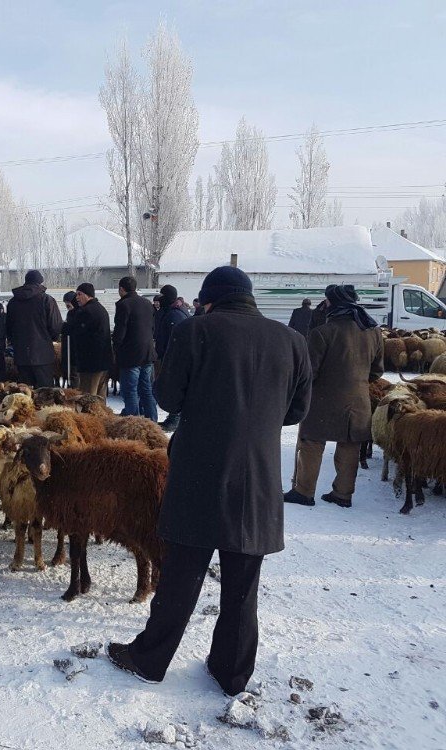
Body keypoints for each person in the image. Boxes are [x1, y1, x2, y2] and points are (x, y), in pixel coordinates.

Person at [107, 265, 312, 697]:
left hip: (200, 473)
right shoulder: (292, 342)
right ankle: (231, 672)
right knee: (242, 587)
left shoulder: (195, 332)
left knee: (181, 577)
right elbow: (295, 412)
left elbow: (167, 399)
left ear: (209, 298)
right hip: (257, 480)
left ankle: (150, 659)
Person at [285, 285, 384, 509]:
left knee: (311, 444)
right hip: (358, 402)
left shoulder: (323, 332)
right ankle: (343, 494)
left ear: (332, 303)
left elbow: (311, 371)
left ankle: (304, 491)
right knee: (349, 447)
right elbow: (377, 370)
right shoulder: (373, 331)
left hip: (322, 401)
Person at [5, 270, 62, 387]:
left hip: (21, 355)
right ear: (39, 282)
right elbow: (56, 326)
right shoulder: (47, 300)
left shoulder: (13, 302)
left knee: (25, 393)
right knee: (45, 394)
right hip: (43, 355)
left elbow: (8, 328)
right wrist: (48, 339)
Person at [112, 276, 157, 420]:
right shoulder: (147, 303)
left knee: (129, 391)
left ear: (121, 289)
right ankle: (152, 421)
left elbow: (120, 332)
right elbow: (153, 327)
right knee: (146, 390)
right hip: (148, 352)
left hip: (131, 355)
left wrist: (116, 348)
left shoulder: (123, 305)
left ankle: (133, 423)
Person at [153, 284, 191, 432]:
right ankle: (174, 417)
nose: (159, 299)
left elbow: (173, 338)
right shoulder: (175, 311)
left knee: (174, 386)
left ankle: (175, 418)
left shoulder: (175, 314)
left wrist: (168, 354)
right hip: (171, 355)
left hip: (173, 357)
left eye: (162, 296)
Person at [69, 283, 112, 397]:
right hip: (103, 362)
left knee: (87, 397)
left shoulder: (86, 312)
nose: (76, 297)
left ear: (88, 295)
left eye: (79, 294)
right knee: (100, 397)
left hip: (90, 363)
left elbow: (77, 333)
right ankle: (103, 415)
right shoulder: (101, 308)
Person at [60, 290, 80, 389]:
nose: (67, 305)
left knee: (74, 375)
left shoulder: (76, 313)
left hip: (73, 351)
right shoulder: (71, 313)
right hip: (70, 351)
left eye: (68, 303)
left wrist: (64, 326)